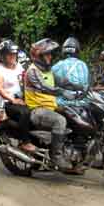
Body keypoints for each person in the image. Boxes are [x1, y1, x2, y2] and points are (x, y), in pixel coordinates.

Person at [24, 38, 72, 170]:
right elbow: (44, 87)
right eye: (47, 54)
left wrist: (80, 86)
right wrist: (61, 92)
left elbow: (62, 81)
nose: (50, 57)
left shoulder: (48, 70)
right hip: (37, 110)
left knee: (74, 113)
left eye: (50, 54)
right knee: (60, 121)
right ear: (39, 56)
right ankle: (56, 155)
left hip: (50, 107)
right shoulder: (32, 71)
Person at [0, 40, 34, 152]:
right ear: (3, 55)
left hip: (21, 99)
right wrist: (13, 100)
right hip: (7, 102)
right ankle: (24, 142)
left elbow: (25, 81)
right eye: (9, 54)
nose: (12, 56)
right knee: (25, 112)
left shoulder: (19, 66)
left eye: (14, 54)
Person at [52, 37, 90, 107]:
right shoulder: (83, 64)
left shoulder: (56, 66)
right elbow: (86, 85)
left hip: (62, 101)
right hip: (81, 101)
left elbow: (52, 85)